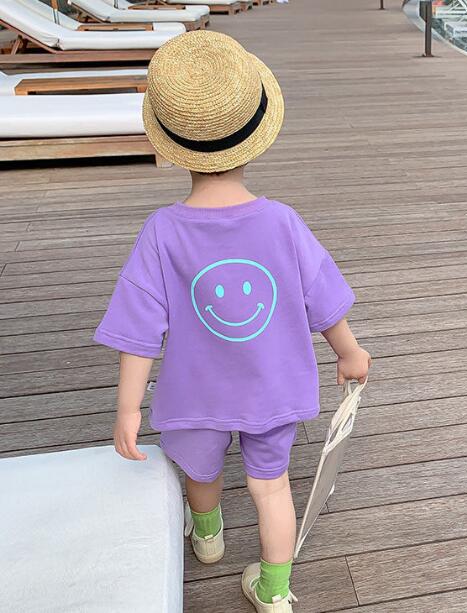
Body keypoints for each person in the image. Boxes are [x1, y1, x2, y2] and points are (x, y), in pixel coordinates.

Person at [93, 30, 370, 613]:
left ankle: (209, 538)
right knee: (272, 487)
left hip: (198, 391)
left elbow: (138, 329)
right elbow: (323, 299)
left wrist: (127, 409)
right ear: (255, 140)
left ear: (171, 147)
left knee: (200, 470)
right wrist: (348, 352)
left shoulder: (162, 232)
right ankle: (274, 591)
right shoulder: (283, 222)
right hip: (273, 388)